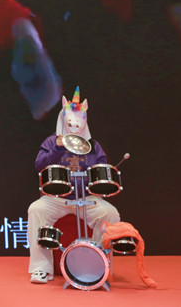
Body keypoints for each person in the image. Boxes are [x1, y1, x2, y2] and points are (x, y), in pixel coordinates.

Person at [27, 87, 120, 284]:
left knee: (110, 213)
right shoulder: (52, 141)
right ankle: (41, 269)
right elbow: (39, 165)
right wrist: (57, 147)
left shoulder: (93, 146)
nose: (74, 126)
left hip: (87, 197)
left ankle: (98, 266)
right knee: (36, 209)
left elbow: (102, 168)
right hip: (57, 198)